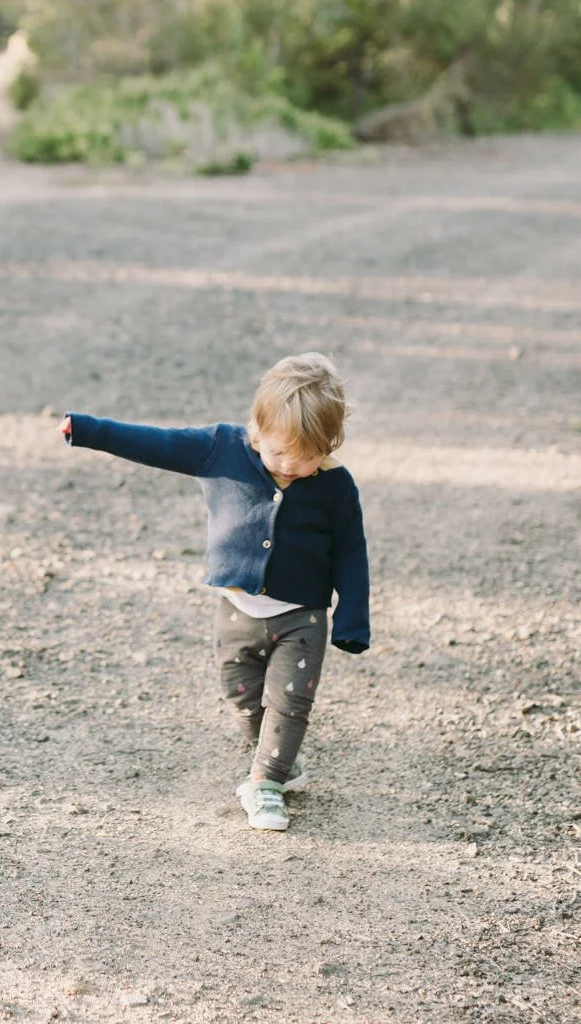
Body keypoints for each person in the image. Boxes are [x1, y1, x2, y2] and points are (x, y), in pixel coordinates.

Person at [60, 352, 370, 831]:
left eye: (307, 457)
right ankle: (277, 758)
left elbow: (351, 552)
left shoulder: (335, 486)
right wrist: (87, 430)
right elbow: (157, 443)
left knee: (290, 702)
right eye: (280, 452)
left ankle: (265, 784)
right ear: (256, 430)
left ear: (329, 444)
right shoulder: (220, 448)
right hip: (237, 610)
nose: (291, 466)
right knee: (241, 695)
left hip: (302, 617)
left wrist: (352, 618)